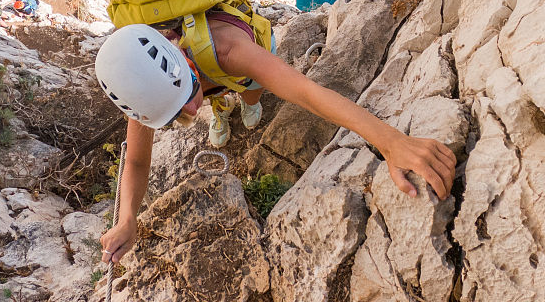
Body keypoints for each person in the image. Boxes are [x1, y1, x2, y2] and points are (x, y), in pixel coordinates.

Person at [95, 16, 458, 264]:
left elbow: (307, 93)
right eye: (180, 115)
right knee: (217, 99)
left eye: (191, 88)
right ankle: (223, 110)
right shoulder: (148, 89)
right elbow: (138, 161)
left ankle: (247, 105)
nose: (192, 105)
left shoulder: (230, 52)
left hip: (244, 55)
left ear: (178, 50)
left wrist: (391, 141)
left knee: (251, 91)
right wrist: (127, 217)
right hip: (210, 73)